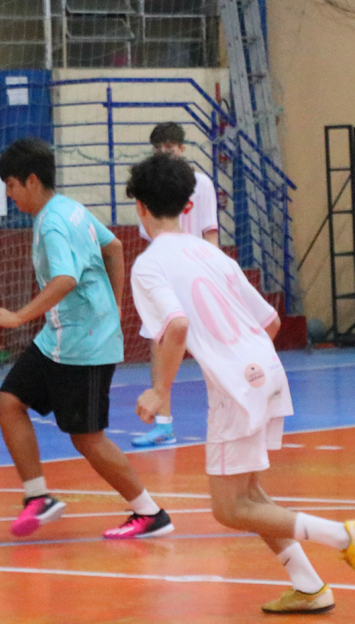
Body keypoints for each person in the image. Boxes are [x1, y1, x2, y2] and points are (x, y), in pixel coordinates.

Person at [126, 153, 355, 614]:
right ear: (187, 205)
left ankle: (343, 536)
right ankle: (310, 586)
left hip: (236, 388)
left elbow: (176, 326)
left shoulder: (148, 265)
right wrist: (247, 364)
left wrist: (161, 392)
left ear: (140, 206)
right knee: (251, 496)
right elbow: (271, 321)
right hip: (268, 371)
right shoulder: (212, 254)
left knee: (229, 508)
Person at [0, 138, 173, 540]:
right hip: (60, 338)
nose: (10, 196)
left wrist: (18, 316)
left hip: (83, 345)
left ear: (31, 181)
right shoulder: (71, 208)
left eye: (11, 186)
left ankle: (150, 512)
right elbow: (114, 247)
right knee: (8, 404)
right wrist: (113, 306)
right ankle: (38, 497)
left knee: (87, 439)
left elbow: (66, 279)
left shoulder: (53, 222)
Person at [132, 121, 221, 448]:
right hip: (165, 274)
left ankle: (225, 415)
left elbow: (211, 232)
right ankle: (164, 425)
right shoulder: (148, 187)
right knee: (159, 345)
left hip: (197, 276)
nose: (164, 153)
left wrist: (214, 273)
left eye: (169, 148)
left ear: (182, 149)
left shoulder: (202, 184)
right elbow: (150, 237)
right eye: (158, 149)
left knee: (213, 350)